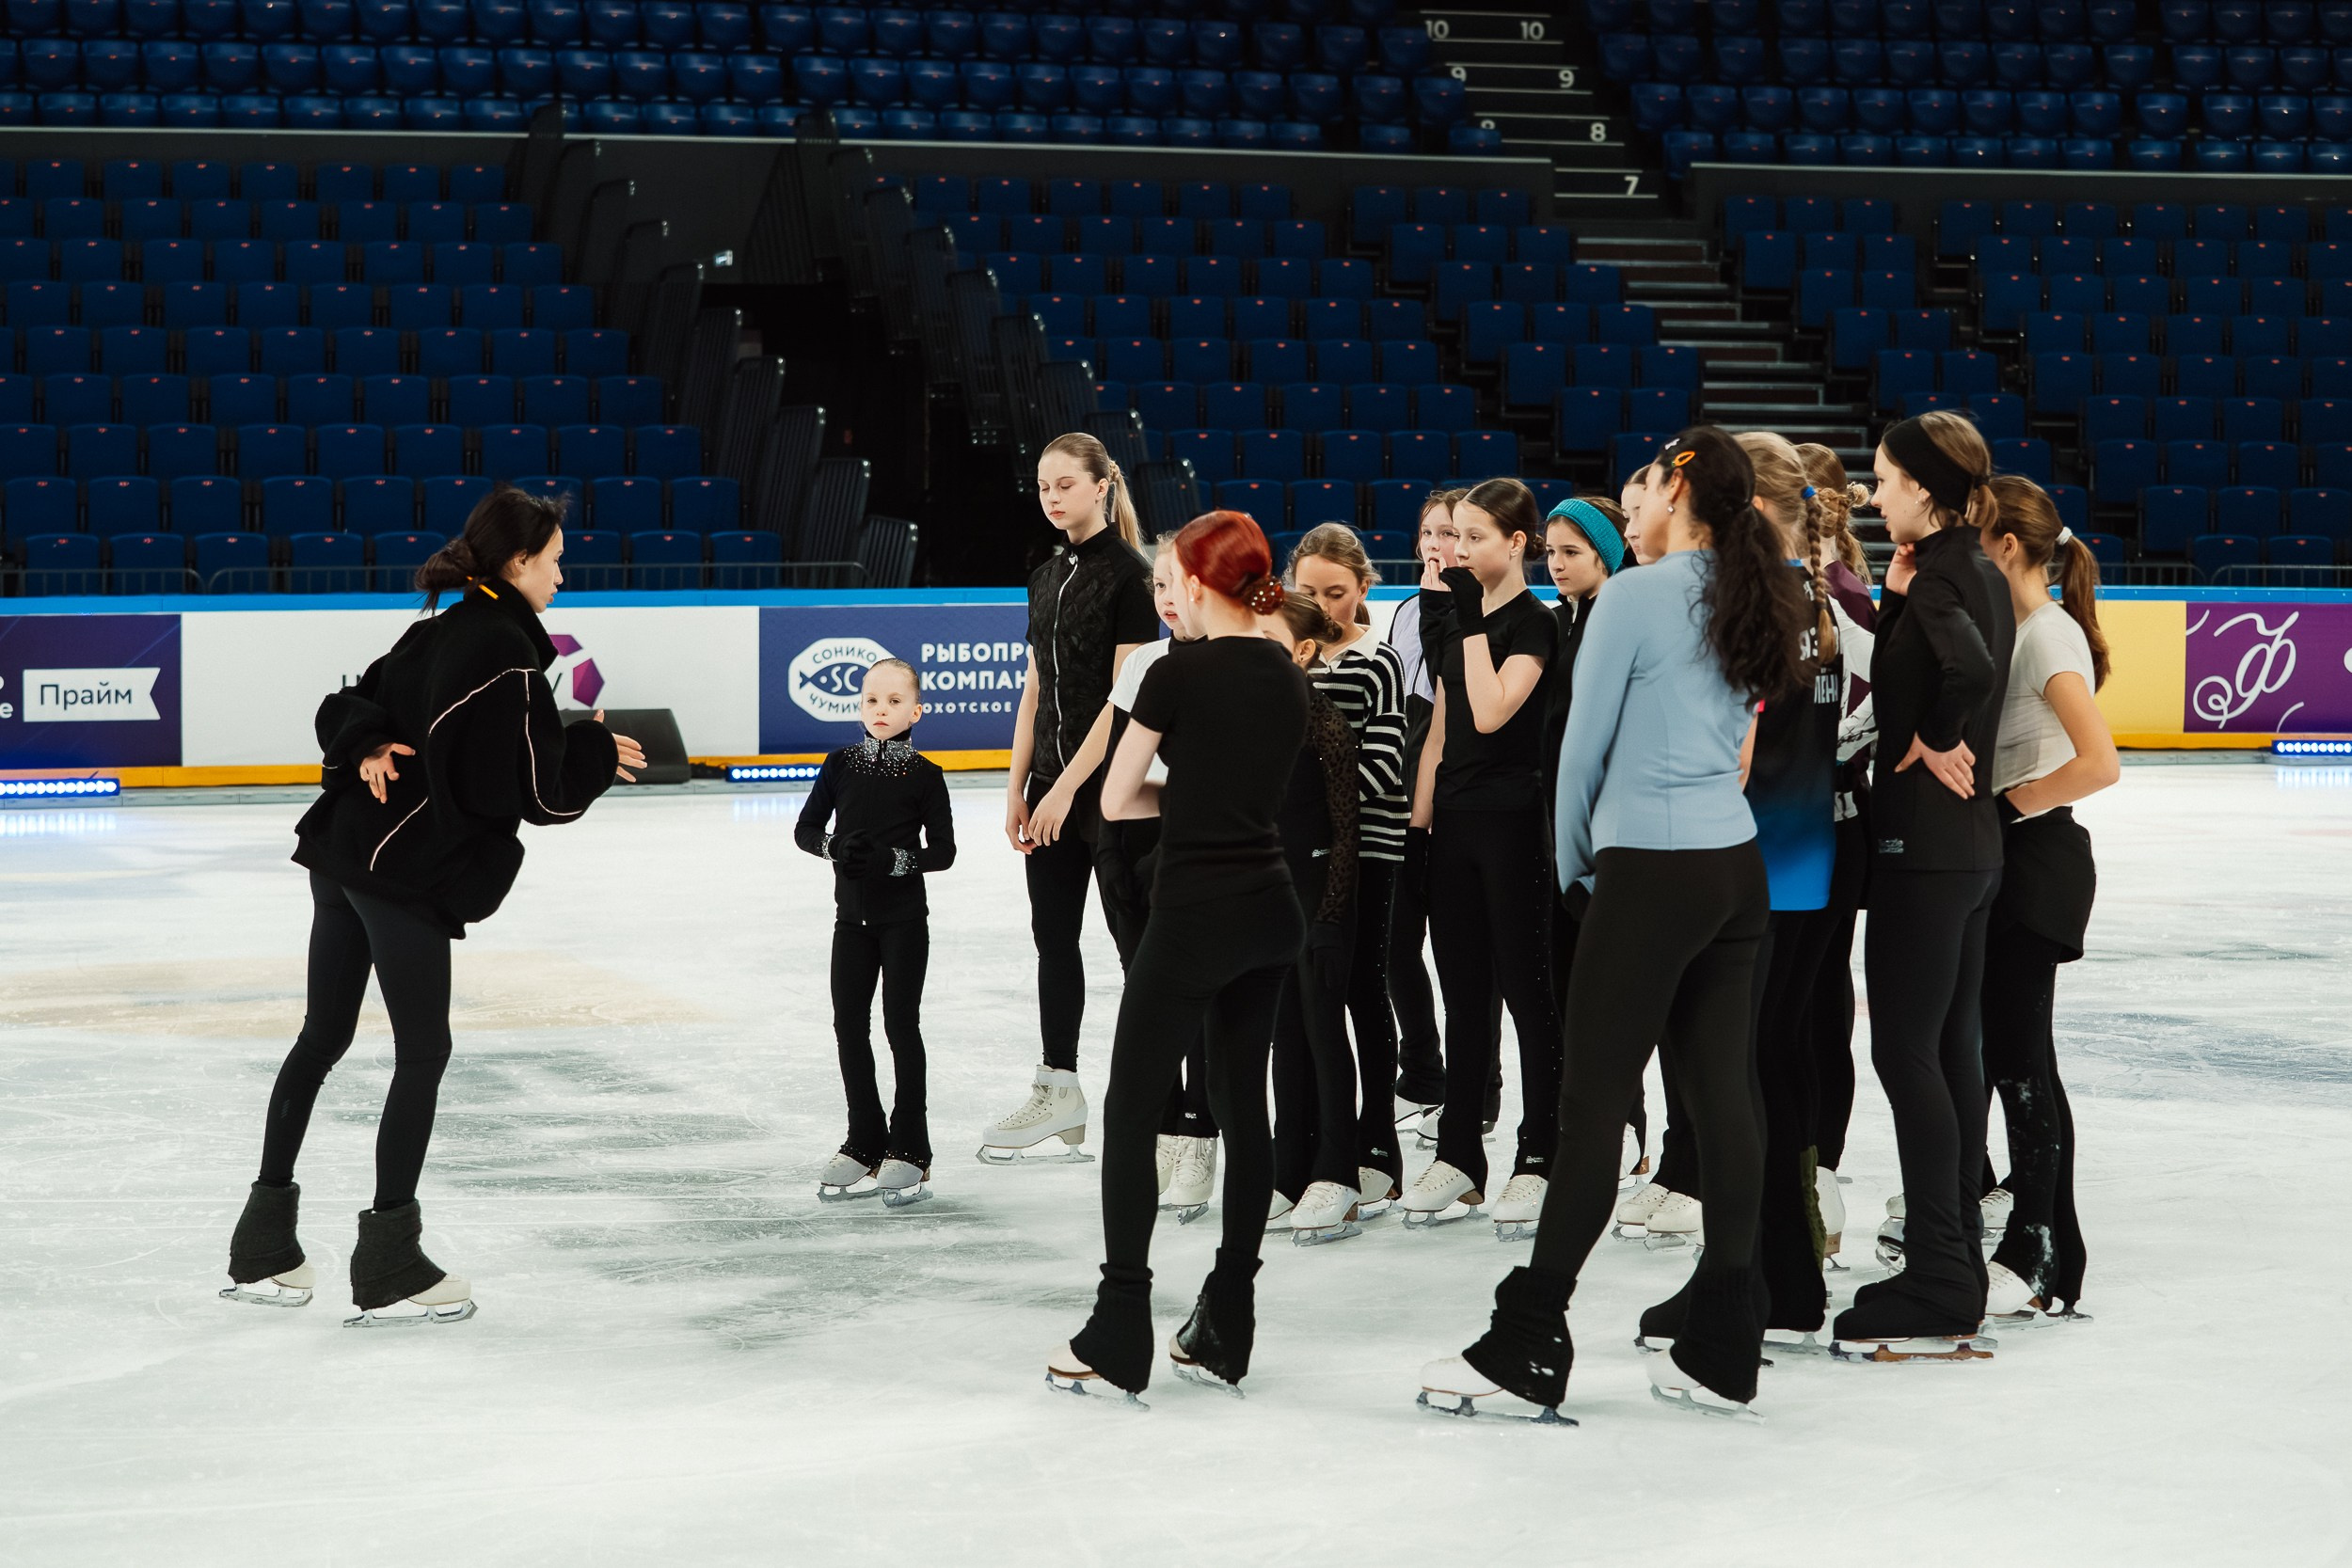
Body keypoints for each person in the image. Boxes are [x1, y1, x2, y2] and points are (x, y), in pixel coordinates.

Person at [1416, 427, 1809, 1422]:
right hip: (1733, 870)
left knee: (1591, 1104)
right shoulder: (1754, 586)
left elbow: (1578, 754)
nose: (1631, 506)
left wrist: (1569, 873)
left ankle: (1529, 1334)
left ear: (1681, 490)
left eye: (1646, 485)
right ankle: (1727, 1334)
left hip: (1647, 872)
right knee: (1726, 1098)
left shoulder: (1639, 593)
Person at [220, 486, 644, 1326]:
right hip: (399, 873)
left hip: (342, 855)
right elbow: (536, 793)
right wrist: (594, 750)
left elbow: (349, 703)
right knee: (423, 1052)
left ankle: (262, 1244)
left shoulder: (439, 628)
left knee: (323, 1037)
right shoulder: (510, 656)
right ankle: (389, 1263)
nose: (564, 575)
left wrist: (367, 742)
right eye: (555, 560)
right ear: (517, 563)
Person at [1047, 511, 1307, 1403]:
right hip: (1271, 912)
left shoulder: (1167, 671)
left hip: (1193, 916)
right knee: (1246, 1109)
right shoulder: (1286, 666)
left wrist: (1183, 787)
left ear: (1195, 584)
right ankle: (1227, 1317)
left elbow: (1120, 800)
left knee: (1132, 1109)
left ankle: (1121, 1324)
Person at [1833, 410, 2017, 1363]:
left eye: (1882, 478)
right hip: (1968, 851)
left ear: (1922, 486)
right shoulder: (1962, 566)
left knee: (1909, 1053)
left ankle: (1942, 1271)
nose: (1873, 492)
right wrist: (1899, 602)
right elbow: (1932, 659)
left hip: (1925, 849)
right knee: (1947, 1052)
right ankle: (1954, 1268)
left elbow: (1968, 669)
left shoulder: (1947, 567)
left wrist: (1938, 736)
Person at [987, 432, 1158, 1163]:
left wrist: (1064, 788)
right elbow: (1035, 689)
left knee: (1137, 950)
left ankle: (1160, 1097)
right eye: (1042, 486)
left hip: (1110, 792)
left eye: (1064, 483)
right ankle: (1060, 1088)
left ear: (1101, 486)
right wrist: (1017, 787)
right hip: (1049, 789)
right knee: (1053, 941)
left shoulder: (1133, 576)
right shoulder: (1045, 572)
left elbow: (1123, 702)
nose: (1052, 497)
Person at [1401, 477, 1561, 1242]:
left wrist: (1461, 616)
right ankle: (1461, 1154)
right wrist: (1421, 817)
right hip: (1457, 822)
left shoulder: (1535, 623)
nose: (1455, 551)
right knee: (1463, 995)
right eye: (1451, 537)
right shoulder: (1454, 619)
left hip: (1515, 823)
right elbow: (1445, 720)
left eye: (1472, 538)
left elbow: (1495, 710)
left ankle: (1541, 1152)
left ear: (1516, 544)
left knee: (1530, 994)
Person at [1977, 473, 2117, 1325]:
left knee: (2022, 1065)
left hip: (2035, 861)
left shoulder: (2047, 637)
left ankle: (2039, 1248)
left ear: (2009, 548)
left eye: (1977, 532)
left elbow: (2099, 762)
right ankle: (2044, 1242)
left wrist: (2004, 807)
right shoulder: (2025, 626)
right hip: (2019, 860)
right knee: (2015, 1060)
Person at [798, 658, 958, 1209]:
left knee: (899, 1026)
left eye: (893, 702)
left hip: (904, 923)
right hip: (851, 924)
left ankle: (911, 1144)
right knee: (848, 1025)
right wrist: (833, 848)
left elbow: (944, 853)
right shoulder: (840, 763)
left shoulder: (924, 774)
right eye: (871, 701)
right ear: (859, 705)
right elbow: (805, 829)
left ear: (916, 711)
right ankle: (865, 1137)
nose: (881, 711)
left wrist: (893, 860)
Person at [1287, 524, 1410, 1209]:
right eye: (1308, 591)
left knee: (1363, 991)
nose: (1323, 604)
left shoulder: (1378, 659)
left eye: (1336, 592)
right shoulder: (1289, 657)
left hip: (1367, 850)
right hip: (1301, 856)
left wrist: (1313, 807)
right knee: (1307, 1001)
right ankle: (1306, 1143)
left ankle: (1376, 1143)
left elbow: (1387, 764)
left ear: (1364, 589)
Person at [1098, 535, 1219, 1218]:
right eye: (1159, 588)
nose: (1168, 599)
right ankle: (1170, 1123)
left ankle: (1201, 1128)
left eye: (1178, 584)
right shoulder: (1145, 660)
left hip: (1197, 836)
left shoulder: (1235, 658)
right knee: (1147, 991)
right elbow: (1119, 759)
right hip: (1135, 836)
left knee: (1196, 993)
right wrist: (1110, 852)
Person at [1535, 497, 1648, 1196]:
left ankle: (1631, 1133)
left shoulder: (1621, 621)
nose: (1556, 564)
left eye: (1571, 552)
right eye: (1549, 552)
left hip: (1609, 838)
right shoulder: (1556, 624)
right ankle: (1589, 1131)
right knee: (1567, 994)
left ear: (1606, 553)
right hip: (1556, 835)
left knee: (1614, 997)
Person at [1387, 489, 1492, 1132]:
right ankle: (1423, 1071)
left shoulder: (1486, 613)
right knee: (1396, 943)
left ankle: (1479, 1090)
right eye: (1428, 531)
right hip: (1405, 798)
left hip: (1464, 800)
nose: (1435, 543)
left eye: (1450, 532)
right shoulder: (1403, 610)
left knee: (1468, 960)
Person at [1261, 591, 1365, 1243]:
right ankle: (1288, 1166)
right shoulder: (1251, 717)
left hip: (1321, 895)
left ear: (1302, 652)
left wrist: (1330, 914)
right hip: (1272, 901)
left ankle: (1339, 1170)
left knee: (1325, 1031)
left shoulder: (1323, 718)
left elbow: (1346, 826)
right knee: (1284, 1036)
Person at [1795, 442, 1879, 1258]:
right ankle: (1811, 1158)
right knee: (1813, 996)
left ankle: (1816, 1162)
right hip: (1820, 818)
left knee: (1813, 999)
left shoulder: (1838, 597)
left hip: (1824, 819)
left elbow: (1865, 709)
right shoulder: (1829, 587)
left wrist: (1814, 762)